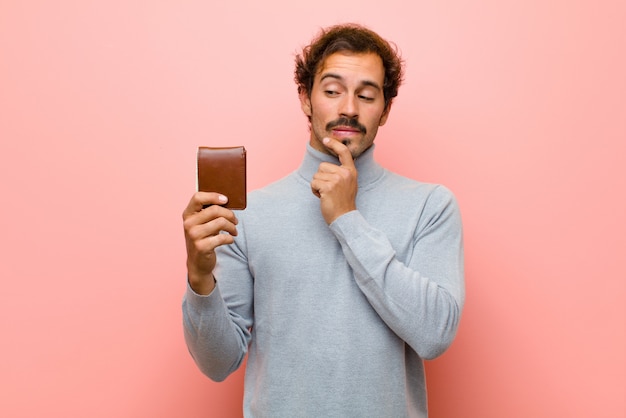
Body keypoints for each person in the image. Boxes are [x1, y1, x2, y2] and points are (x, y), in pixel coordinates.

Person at [182, 23, 464, 418]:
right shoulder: (248, 215)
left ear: (385, 110)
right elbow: (217, 363)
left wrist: (347, 218)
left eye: (366, 95)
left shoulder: (430, 206)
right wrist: (199, 279)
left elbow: (435, 334)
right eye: (332, 91)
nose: (349, 107)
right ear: (306, 98)